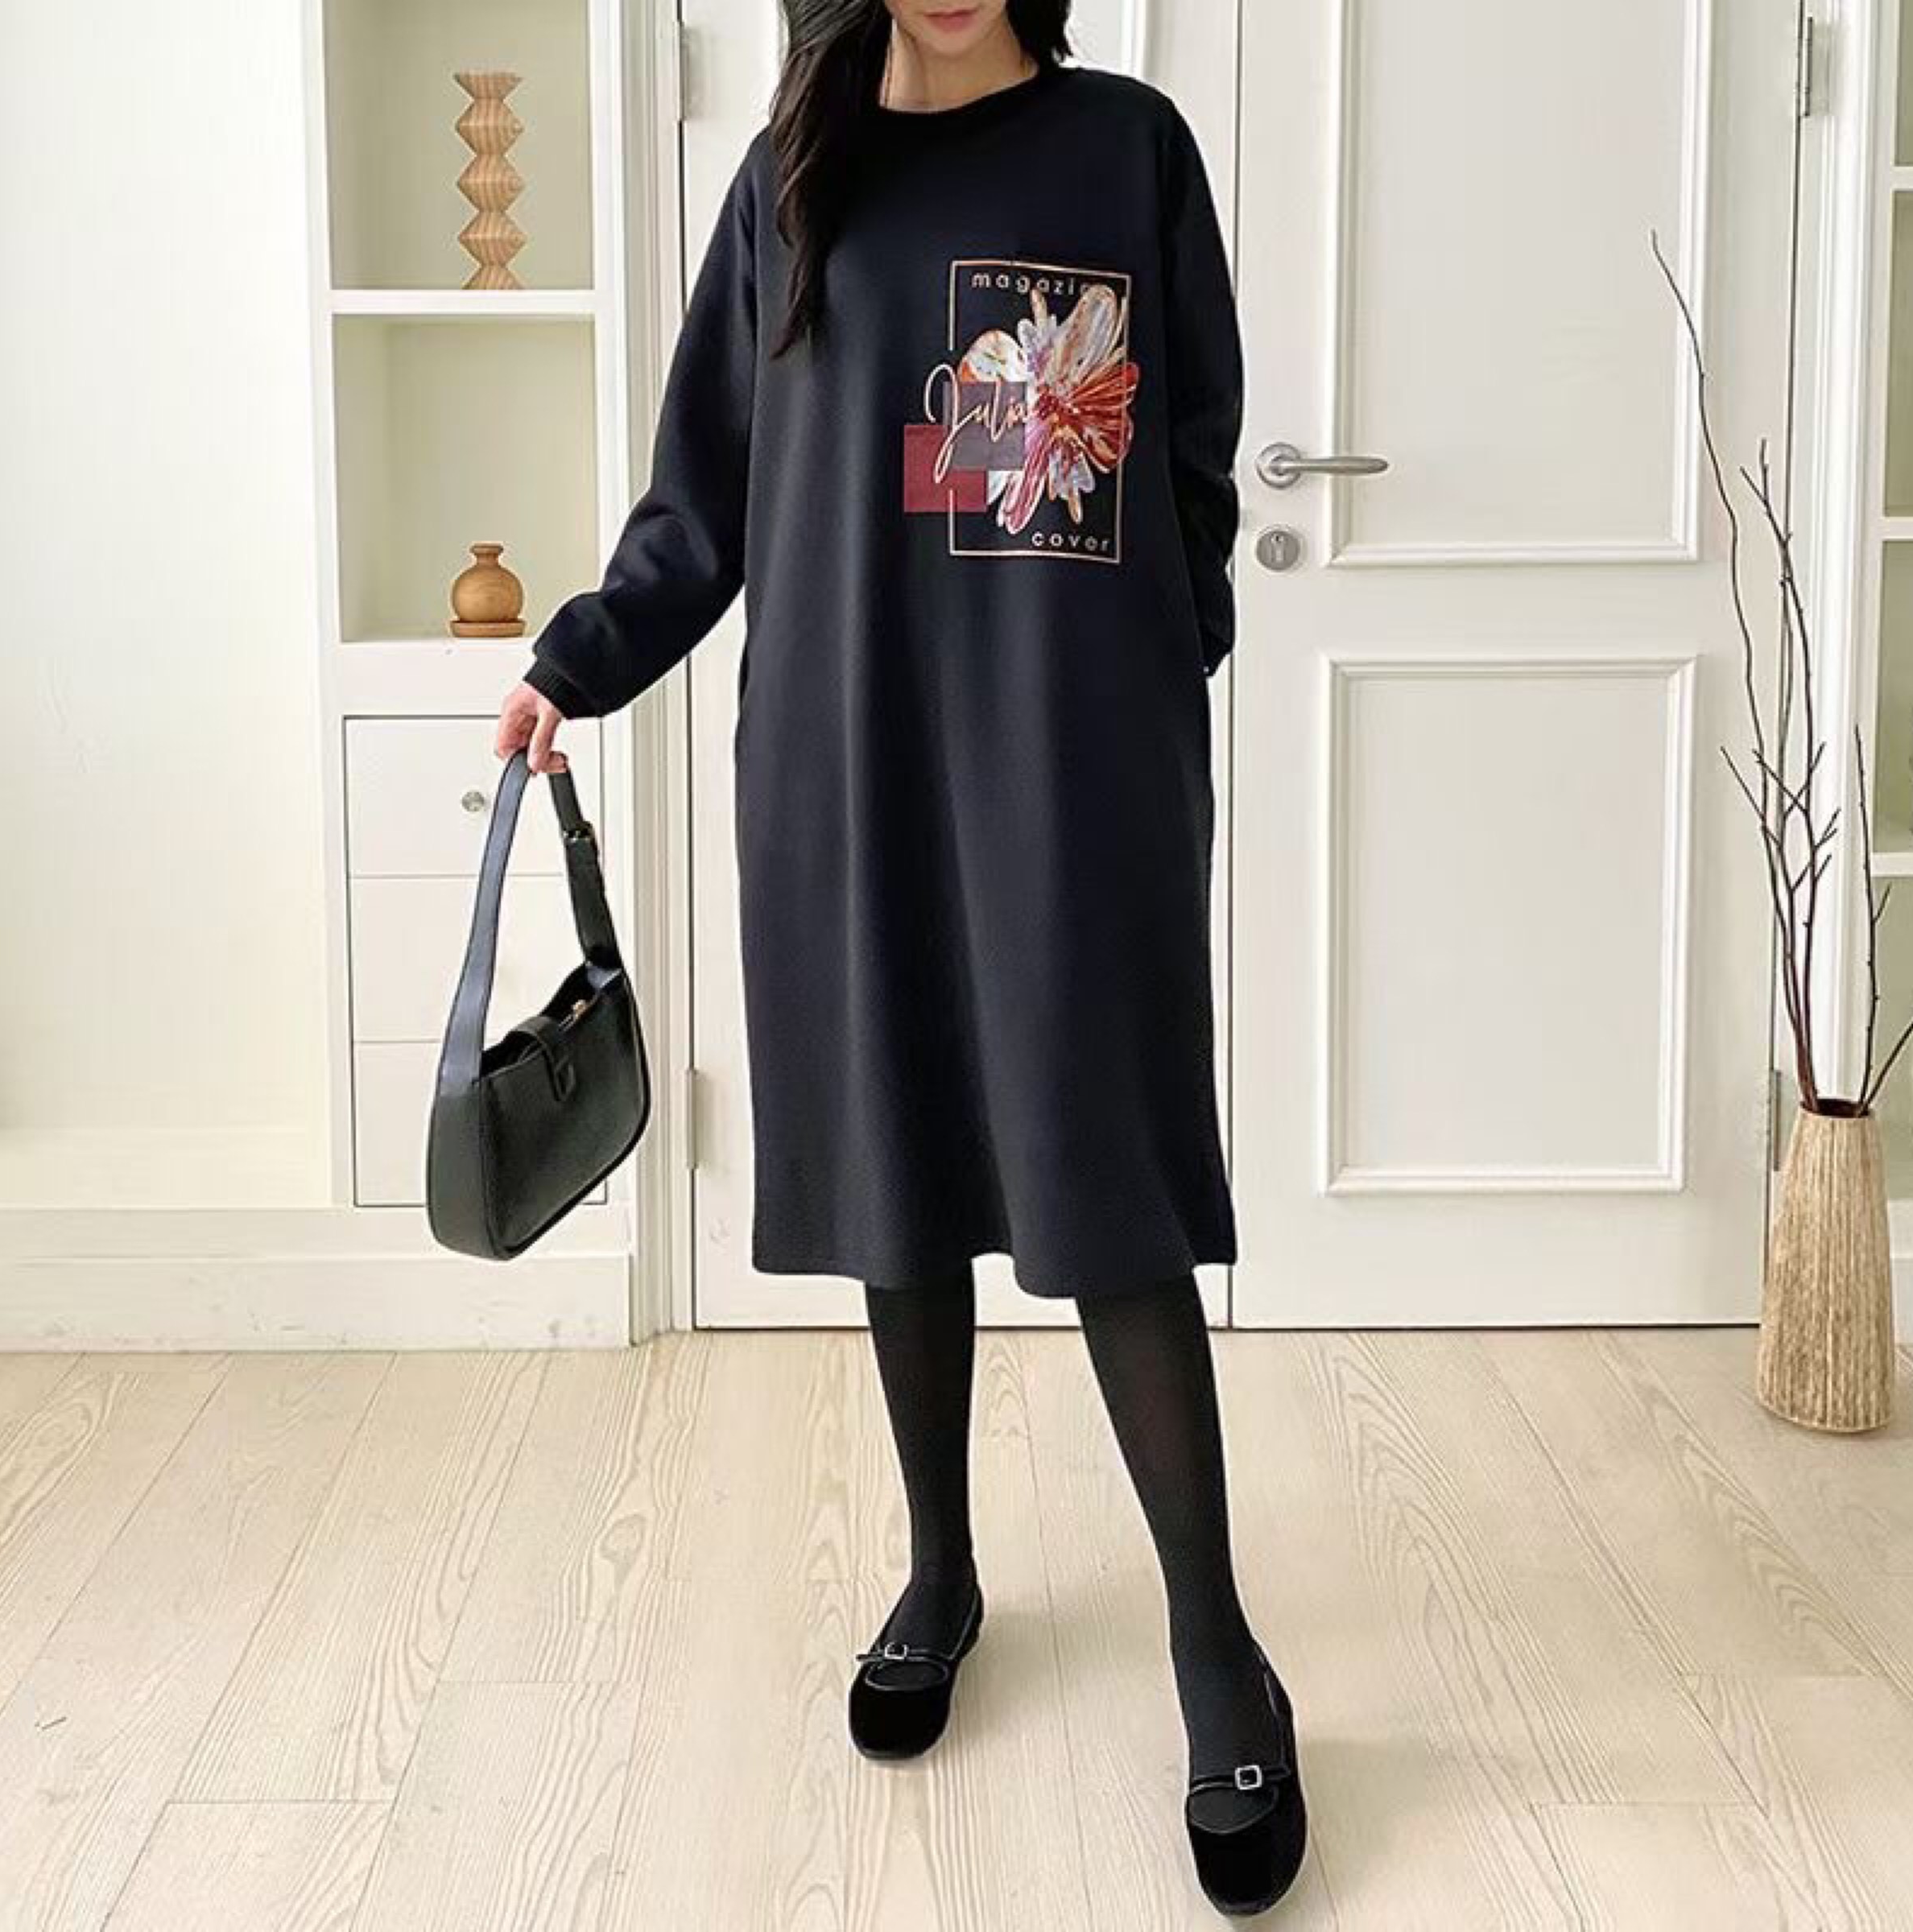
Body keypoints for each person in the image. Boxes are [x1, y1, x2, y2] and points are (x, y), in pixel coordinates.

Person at [494, 0, 1305, 1913]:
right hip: (846, 753)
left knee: (1110, 1185)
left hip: (1072, 765)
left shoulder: (1126, 148)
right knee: (898, 1166)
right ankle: (941, 1571)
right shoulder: (793, 180)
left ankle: (1216, 1646)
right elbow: (706, 495)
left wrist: (1149, 658)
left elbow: (1191, 448)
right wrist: (575, 662)